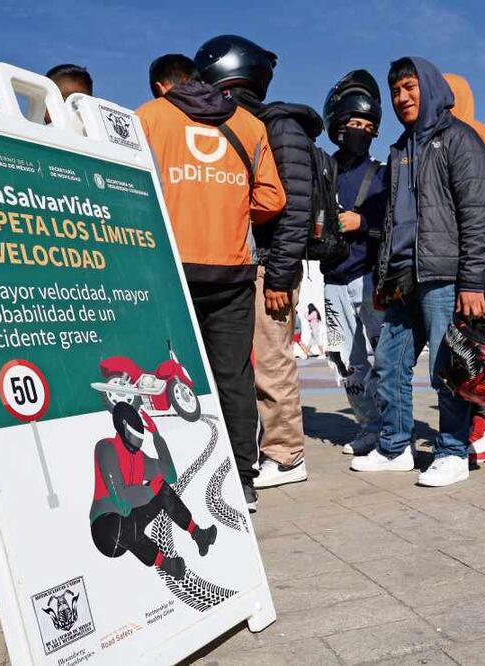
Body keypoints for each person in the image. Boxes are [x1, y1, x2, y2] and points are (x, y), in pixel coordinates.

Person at [136, 53, 286, 512]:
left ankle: (165, 475)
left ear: (161, 85)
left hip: (166, 269)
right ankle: (242, 479)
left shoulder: (148, 118)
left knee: (160, 373)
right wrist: (229, 207)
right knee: (233, 376)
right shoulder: (248, 125)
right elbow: (271, 199)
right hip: (231, 271)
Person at [350, 56, 485, 487]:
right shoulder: (400, 149)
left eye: (410, 87)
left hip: (445, 275)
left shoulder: (459, 140)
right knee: (390, 362)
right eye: (396, 91)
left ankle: (453, 449)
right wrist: (384, 274)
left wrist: (472, 280)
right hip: (402, 278)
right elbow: (394, 220)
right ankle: (395, 446)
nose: (402, 97)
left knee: (446, 366)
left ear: (429, 86)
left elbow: (478, 213)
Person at [195, 35, 318, 489]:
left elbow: (294, 208)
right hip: (245, 263)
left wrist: (281, 275)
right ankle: (252, 447)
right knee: (240, 364)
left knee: (270, 362)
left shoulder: (279, 127)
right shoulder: (248, 122)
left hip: (270, 267)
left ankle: (286, 456)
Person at [443, 72, 485, 464]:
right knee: (468, 348)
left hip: (479, 256)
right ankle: (479, 426)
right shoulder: (444, 138)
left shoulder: (479, 136)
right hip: (460, 256)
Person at [320, 69, 386, 456]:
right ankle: (368, 426)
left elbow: (397, 223)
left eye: (368, 125)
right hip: (332, 277)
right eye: (354, 122)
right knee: (346, 360)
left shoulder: (381, 174)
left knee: (384, 356)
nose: (361, 130)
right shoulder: (323, 170)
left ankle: (394, 425)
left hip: (370, 277)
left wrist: (364, 223)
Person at [90, 403, 217, 578]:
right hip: (105, 530)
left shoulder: (138, 457)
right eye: (134, 437)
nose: (137, 444)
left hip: (128, 518)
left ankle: (198, 534)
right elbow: (121, 502)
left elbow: (170, 475)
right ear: (122, 428)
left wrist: (157, 436)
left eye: (140, 438)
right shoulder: (106, 448)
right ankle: (166, 565)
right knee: (122, 521)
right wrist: (148, 492)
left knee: (162, 488)